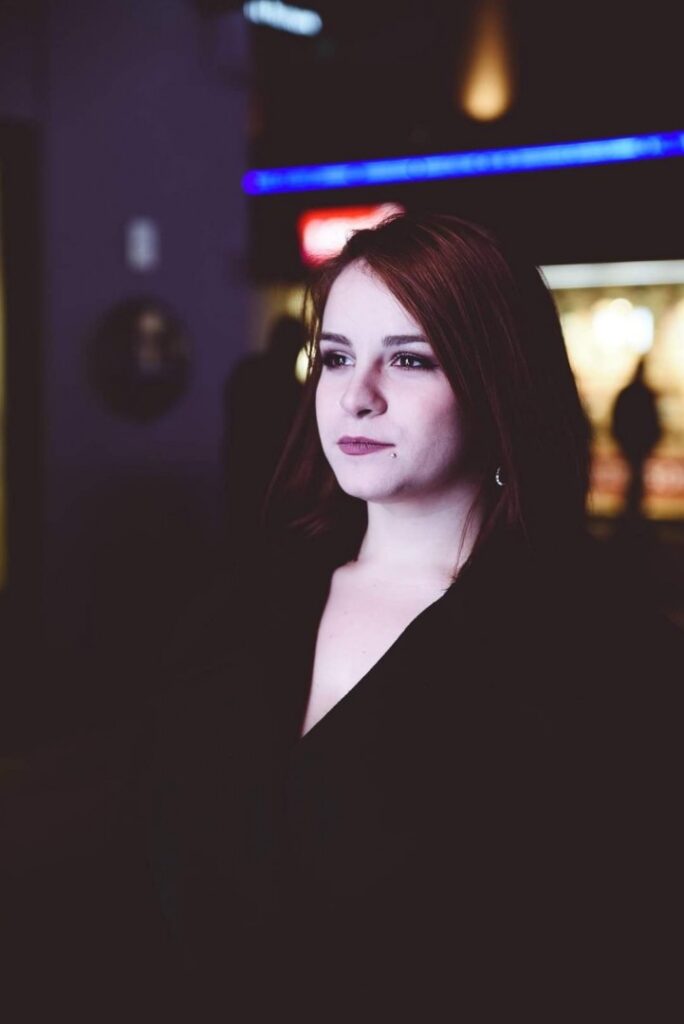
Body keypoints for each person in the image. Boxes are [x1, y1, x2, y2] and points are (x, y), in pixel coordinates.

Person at [143, 212, 681, 1022]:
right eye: (335, 357)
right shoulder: (238, 607)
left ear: (497, 377)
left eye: (409, 359)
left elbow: (626, 952)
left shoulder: (603, 654)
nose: (355, 396)